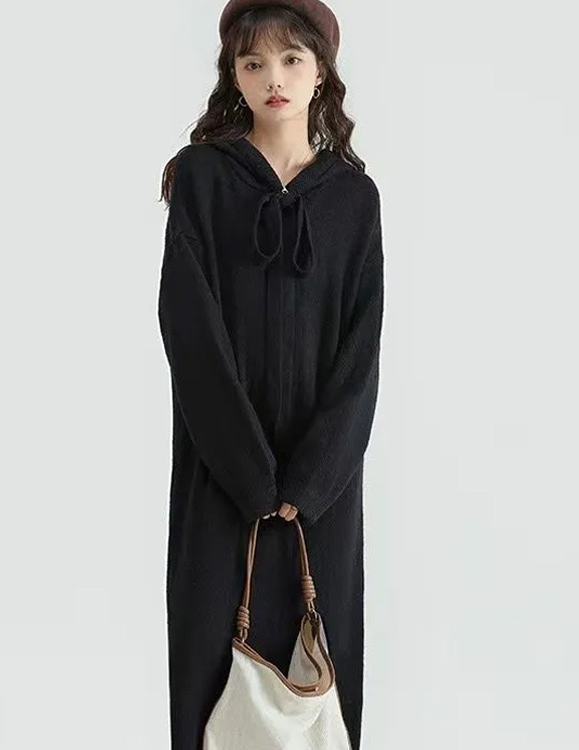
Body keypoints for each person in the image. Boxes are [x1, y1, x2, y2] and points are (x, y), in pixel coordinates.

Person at [156, 1, 384, 747]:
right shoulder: (202, 179)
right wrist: (249, 474)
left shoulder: (354, 199)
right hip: (220, 479)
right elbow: (189, 332)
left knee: (319, 693)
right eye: (252, 63)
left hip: (323, 495)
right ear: (234, 74)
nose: (273, 79)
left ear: (321, 71)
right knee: (210, 685)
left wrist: (311, 481)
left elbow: (361, 353)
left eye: (291, 60)